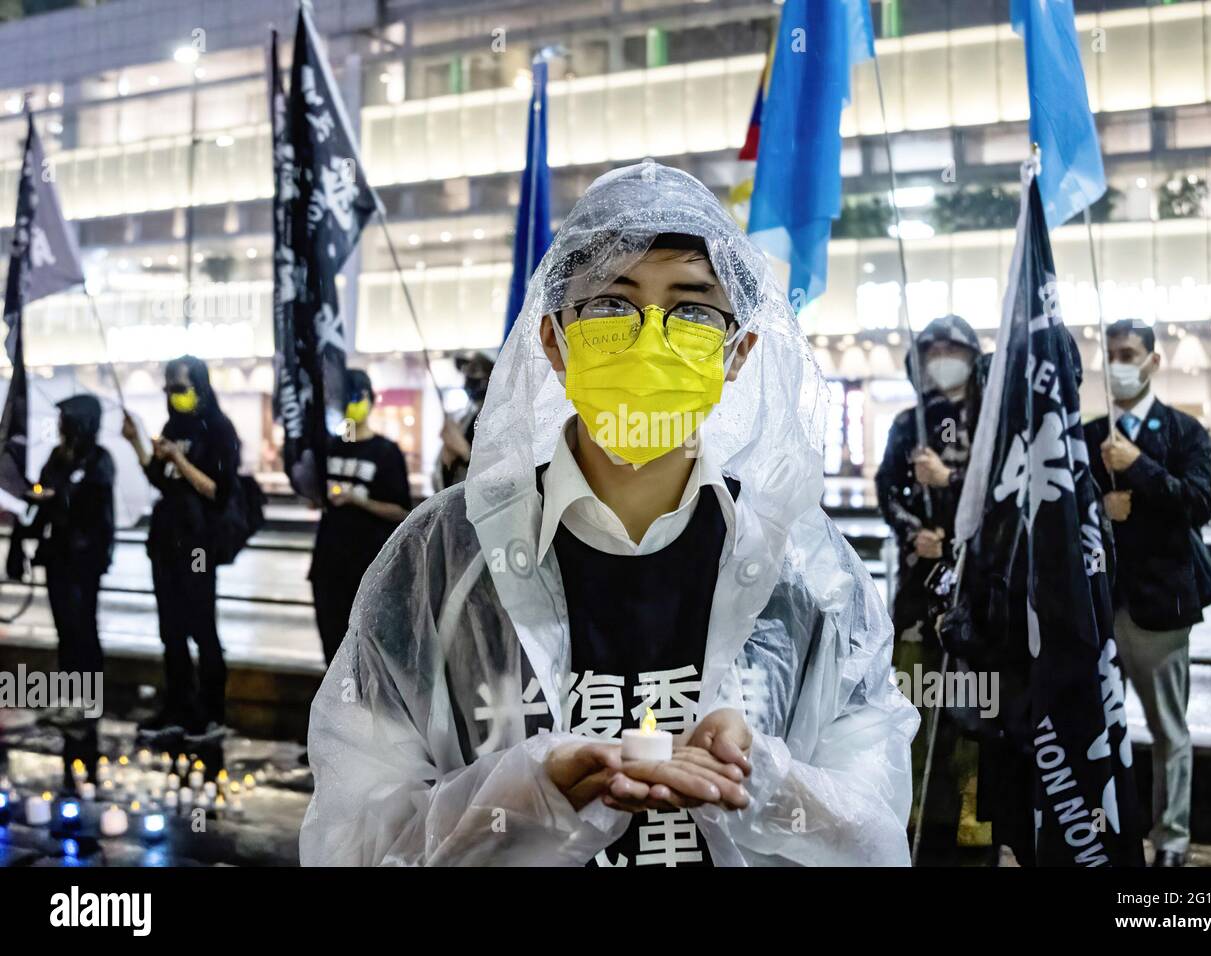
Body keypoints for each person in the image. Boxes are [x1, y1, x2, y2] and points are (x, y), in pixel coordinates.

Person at [300, 161, 918, 866]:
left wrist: (766, 785)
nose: (648, 339)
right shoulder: (442, 561)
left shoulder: (808, 571)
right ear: (554, 341)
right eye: (610, 307)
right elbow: (350, 840)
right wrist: (533, 795)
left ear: (738, 351)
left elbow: (873, 833)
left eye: (691, 311)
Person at [1084, 318, 1211, 867]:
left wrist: (1138, 468)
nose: (1119, 363)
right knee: (1098, 727)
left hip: (1161, 609)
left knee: (1168, 730)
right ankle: (1104, 829)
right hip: (1099, 606)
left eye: (1129, 353)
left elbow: (1197, 504)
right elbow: (1063, 510)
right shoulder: (1090, 434)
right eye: (1111, 353)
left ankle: (1171, 839)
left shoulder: (1185, 432)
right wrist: (1101, 507)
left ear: (1152, 361)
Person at [874, 314, 986, 858]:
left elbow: (1005, 496)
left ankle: (975, 809)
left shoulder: (994, 421)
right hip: (919, 594)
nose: (943, 357)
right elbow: (885, 489)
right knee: (912, 699)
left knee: (977, 700)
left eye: (953, 349)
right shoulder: (907, 423)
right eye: (932, 348)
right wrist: (914, 531)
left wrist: (951, 483)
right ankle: (915, 806)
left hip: (980, 593)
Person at [122, 355, 241, 741]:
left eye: (180, 387)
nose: (173, 395)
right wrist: (139, 445)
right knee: (170, 628)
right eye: (168, 388)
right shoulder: (174, 426)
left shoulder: (219, 430)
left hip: (197, 542)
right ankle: (177, 705)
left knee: (201, 624)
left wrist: (179, 458)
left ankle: (209, 711)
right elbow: (163, 480)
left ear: (200, 387)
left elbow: (217, 490)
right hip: (166, 541)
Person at [9, 395, 116, 723]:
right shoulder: (57, 458)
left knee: (83, 626)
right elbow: (38, 502)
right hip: (58, 556)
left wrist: (61, 496)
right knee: (64, 629)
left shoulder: (99, 460)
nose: (60, 426)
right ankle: (70, 694)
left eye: (66, 420)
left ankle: (88, 699)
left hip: (85, 558)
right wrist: (20, 542)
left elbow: (91, 503)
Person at [309, 368, 412, 666]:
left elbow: (401, 510)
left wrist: (358, 501)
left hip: (367, 565)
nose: (351, 405)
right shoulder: (329, 448)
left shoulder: (385, 452)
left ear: (371, 399)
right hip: (328, 564)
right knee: (332, 648)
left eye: (357, 397)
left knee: (368, 652)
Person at [436, 351, 494, 489]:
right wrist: (447, 461)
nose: (468, 380)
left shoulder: (502, 419)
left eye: (474, 372)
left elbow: (499, 478)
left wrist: (464, 452)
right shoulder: (466, 418)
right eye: (466, 374)